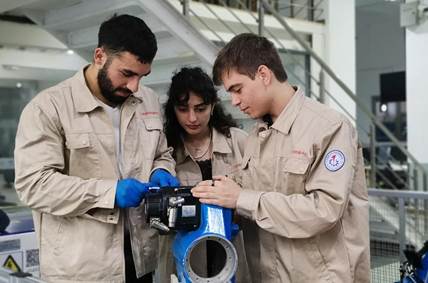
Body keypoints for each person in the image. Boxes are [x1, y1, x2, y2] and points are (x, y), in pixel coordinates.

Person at [191, 33, 370, 282]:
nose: (234, 102)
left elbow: (325, 210)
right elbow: (253, 196)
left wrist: (241, 198)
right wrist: (220, 195)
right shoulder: (258, 135)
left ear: (263, 74)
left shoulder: (329, 128)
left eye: (237, 89)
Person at [14, 14, 179, 283]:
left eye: (142, 76)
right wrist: (110, 192)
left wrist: (161, 170)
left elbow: (161, 154)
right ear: (100, 56)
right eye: (126, 74)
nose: (134, 86)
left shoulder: (146, 100)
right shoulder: (48, 108)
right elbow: (34, 185)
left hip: (141, 261)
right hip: (82, 270)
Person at [156, 67, 250, 282]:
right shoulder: (164, 151)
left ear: (213, 105)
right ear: (173, 109)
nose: (192, 118)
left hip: (230, 250)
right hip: (183, 256)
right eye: (183, 109)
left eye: (200, 108)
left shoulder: (239, 142)